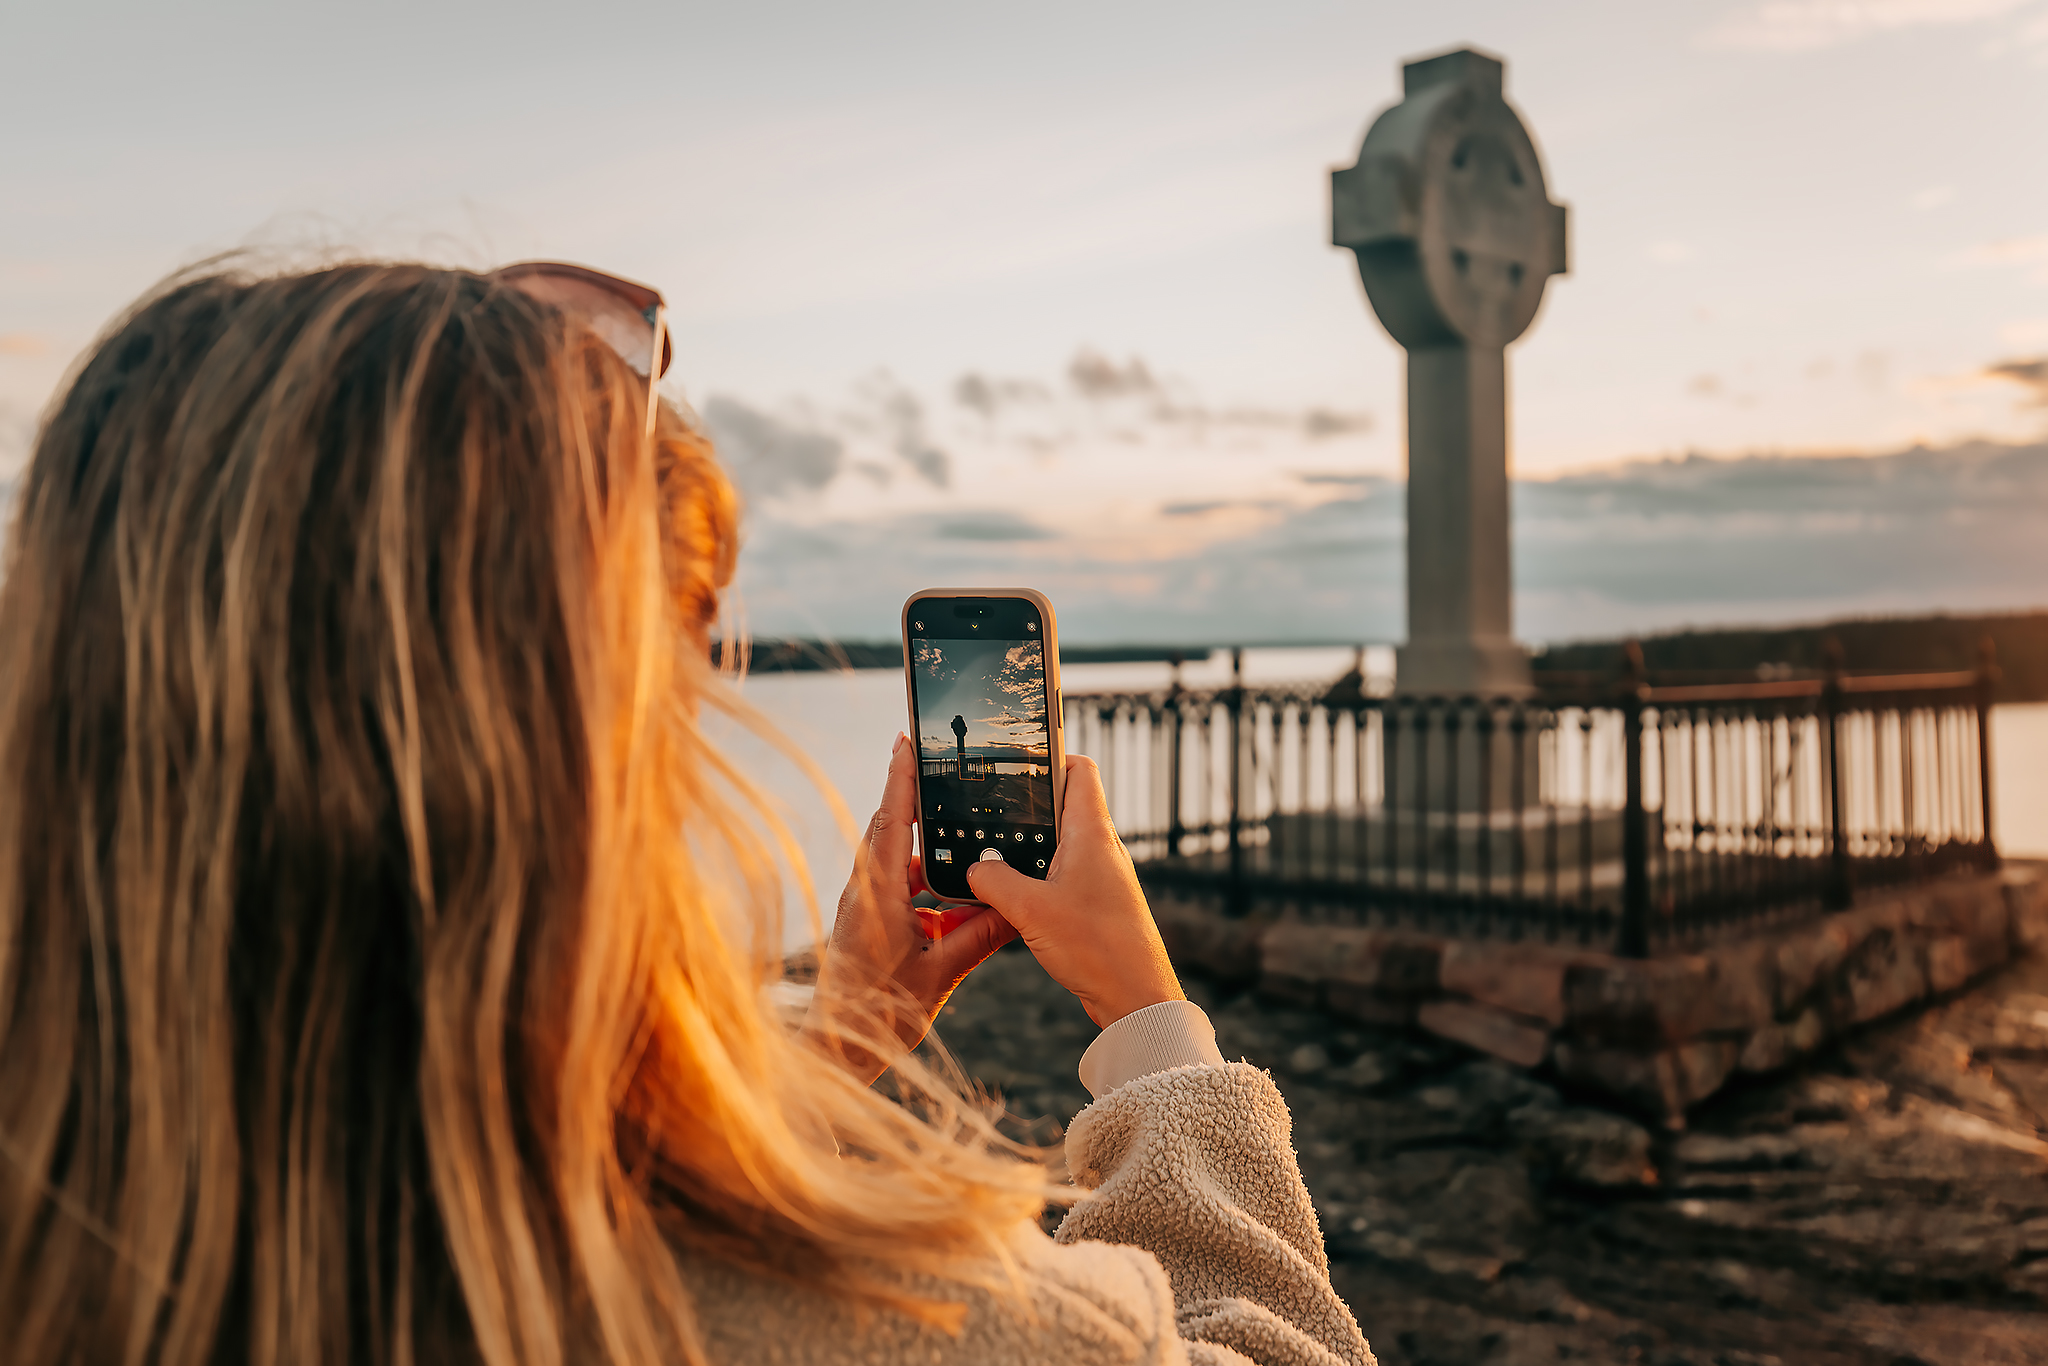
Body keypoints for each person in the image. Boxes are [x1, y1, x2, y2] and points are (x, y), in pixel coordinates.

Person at [0, 260, 1373, 1366]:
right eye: (684, 654)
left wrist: (843, 1037)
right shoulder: (930, 1325)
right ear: (586, 756)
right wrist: (1152, 1028)